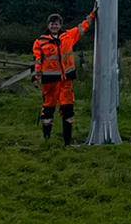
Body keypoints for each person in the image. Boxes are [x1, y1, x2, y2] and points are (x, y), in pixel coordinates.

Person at [32, 8, 94, 144]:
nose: (54, 26)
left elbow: (82, 28)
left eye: (57, 23)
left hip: (66, 80)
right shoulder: (40, 42)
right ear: (48, 25)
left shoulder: (68, 36)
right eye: (52, 23)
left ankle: (67, 142)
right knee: (48, 109)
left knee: (68, 109)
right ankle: (47, 140)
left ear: (60, 25)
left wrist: (92, 15)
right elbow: (37, 60)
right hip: (49, 82)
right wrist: (37, 76)